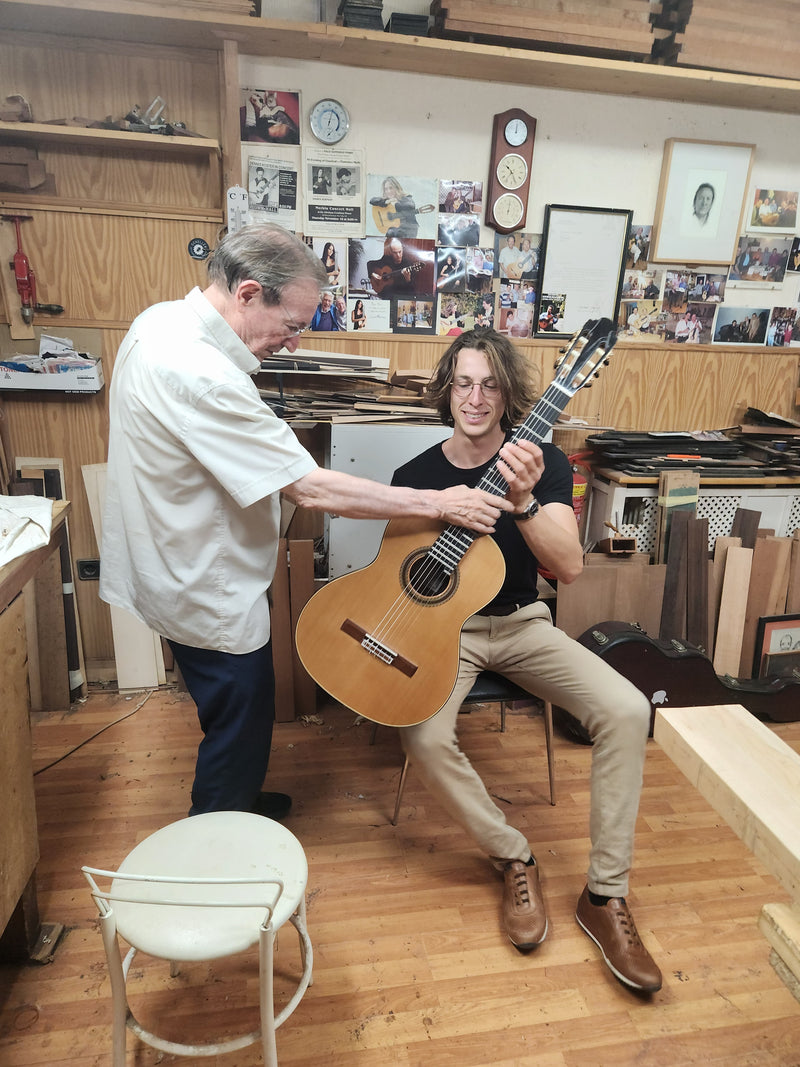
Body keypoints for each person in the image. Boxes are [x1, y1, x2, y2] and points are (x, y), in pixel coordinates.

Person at [99, 223, 509, 820]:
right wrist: (439, 503)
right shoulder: (198, 372)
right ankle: (220, 835)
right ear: (246, 294)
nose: (292, 344)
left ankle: (238, 795)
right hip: (203, 582)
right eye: (291, 325)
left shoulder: (159, 321)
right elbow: (310, 487)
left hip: (176, 559)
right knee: (238, 716)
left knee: (235, 711)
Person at [389, 328, 660, 993]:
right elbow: (389, 573)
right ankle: (513, 854)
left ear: (510, 394)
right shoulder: (414, 475)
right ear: (446, 389)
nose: (475, 397)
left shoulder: (545, 463)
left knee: (627, 709)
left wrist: (524, 500)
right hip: (442, 629)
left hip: (521, 624)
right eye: (463, 382)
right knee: (422, 732)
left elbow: (567, 566)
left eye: (490, 384)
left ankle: (604, 895)